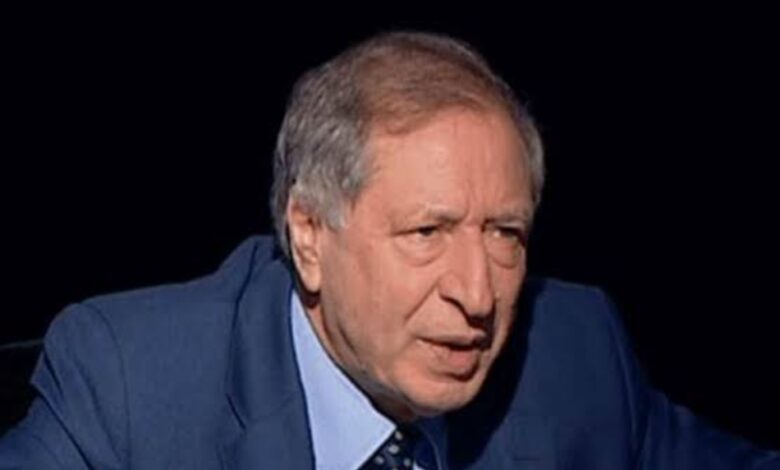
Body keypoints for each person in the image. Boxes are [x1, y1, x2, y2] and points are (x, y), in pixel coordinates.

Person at [1, 31, 778, 470]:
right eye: (427, 233)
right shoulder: (128, 388)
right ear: (309, 236)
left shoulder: (576, 353)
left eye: (504, 234)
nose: (477, 294)